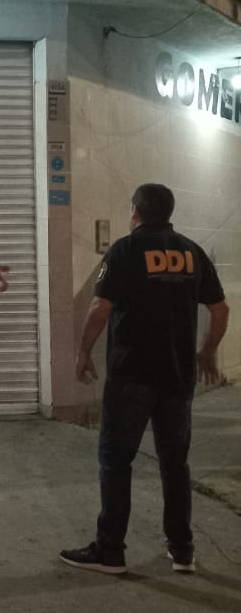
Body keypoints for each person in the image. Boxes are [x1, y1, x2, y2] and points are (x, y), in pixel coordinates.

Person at [61, 183, 229, 576]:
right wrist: (207, 351)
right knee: (175, 463)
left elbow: (100, 306)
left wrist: (83, 351)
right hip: (177, 377)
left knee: (116, 460)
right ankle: (182, 551)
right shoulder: (191, 252)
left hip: (131, 376)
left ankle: (110, 551)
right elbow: (220, 309)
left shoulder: (124, 250)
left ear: (135, 210)